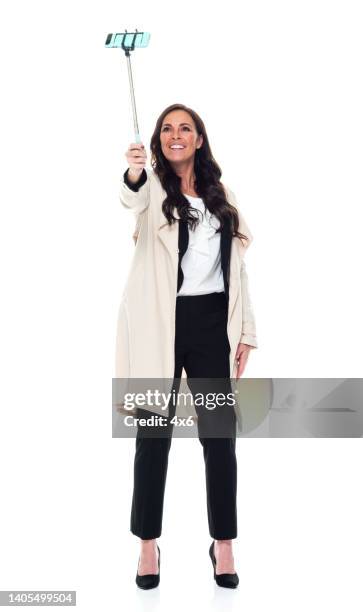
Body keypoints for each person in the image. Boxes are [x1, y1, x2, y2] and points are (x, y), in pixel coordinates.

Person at [116, 103, 258, 589]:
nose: (176, 135)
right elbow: (131, 198)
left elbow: (238, 271)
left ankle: (223, 544)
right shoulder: (153, 188)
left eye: (186, 129)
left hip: (210, 324)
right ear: (158, 140)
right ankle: (147, 545)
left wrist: (246, 331)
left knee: (220, 437)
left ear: (199, 139)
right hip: (161, 324)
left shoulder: (224, 197)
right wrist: (134, 172)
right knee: (152, 437)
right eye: (168, 129)